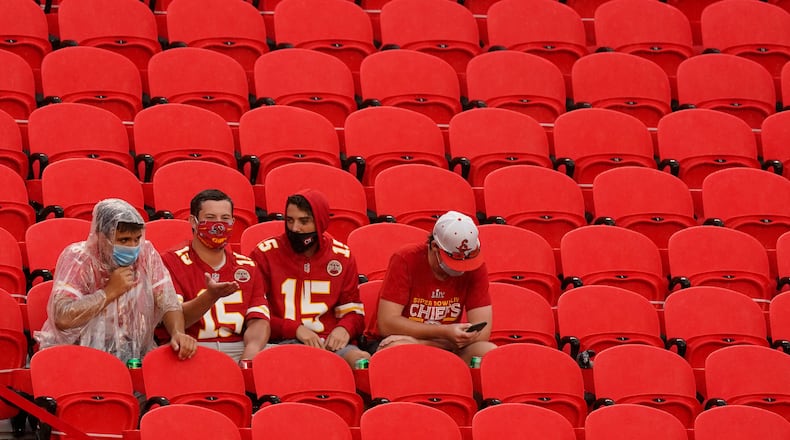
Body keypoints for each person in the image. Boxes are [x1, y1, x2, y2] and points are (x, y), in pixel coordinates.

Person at [36, 199, 196, 363]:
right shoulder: (78, 258)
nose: (132, 247)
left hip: (131, 352)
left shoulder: (146, 252)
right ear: (100, 236)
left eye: (137, 239)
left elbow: (167, 300)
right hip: (76, 355)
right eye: (123, 240)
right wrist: (109, 292)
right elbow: (62, 319)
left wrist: (177, 332)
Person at [249, 189, 369, 367]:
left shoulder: (341, 256)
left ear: (320, 223)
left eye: (304, 221)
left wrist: (344, 329)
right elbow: (254, 315)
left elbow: (354, 313)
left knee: (363, 361)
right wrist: (296, 329)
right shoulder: (265, 253)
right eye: (290, 220)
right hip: (281, 342)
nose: (295, 228)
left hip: (328, 342)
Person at [160, 189, 271, 363]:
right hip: (193, 348)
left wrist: (251, 354)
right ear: (193, 222)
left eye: (225, 219)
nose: (219, 225)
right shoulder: (171, 261)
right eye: (210, 218)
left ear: (233, 222)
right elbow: (173, 320)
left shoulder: (248, 266)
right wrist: (210, 296)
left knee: (289, 357)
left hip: (239, 346)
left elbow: (259, 320)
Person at [375, 211, 496, 364]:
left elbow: (482, 331)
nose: (461, 268)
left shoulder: (475, 266)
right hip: (402, 339)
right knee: (399, 348)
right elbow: (387, 323)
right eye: (455, 260)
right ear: (434, 246)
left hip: (449, 344)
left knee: (488, 351)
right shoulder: (406, 259)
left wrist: (440, 340)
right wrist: (443, 333)